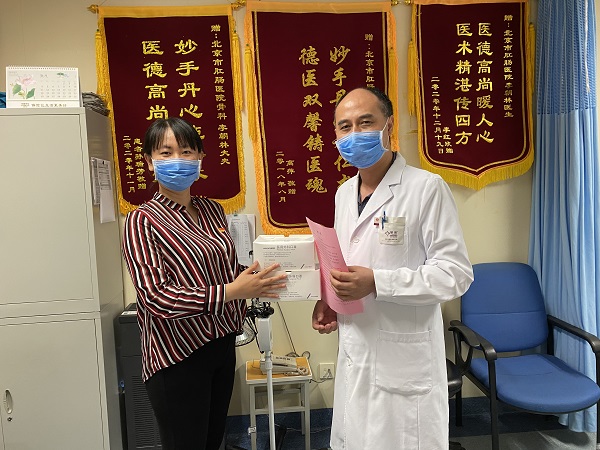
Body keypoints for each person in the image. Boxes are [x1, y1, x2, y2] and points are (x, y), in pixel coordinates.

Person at [312, 87, 474, 450]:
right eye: (345, 126)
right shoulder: (343, 193)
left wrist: (377, 283)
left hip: (404, 360)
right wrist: (331, 300)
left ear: (389, 125)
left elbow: (455, 273)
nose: (355, 134)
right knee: (356, 438)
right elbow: (346, 262)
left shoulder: (425, 188)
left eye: (365, 122)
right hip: (355, 347)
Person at [122, 117, 286, 450]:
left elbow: (226, 268)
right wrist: (233, 291)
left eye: (186, 151)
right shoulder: (142, 220)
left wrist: (267, 273)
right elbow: (156, 297)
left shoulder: (211, 210)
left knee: (212, 441)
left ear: (200, 159)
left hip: (221, 344)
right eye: (166, 152)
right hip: (177, 356)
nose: (178, 160)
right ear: (149, 162)